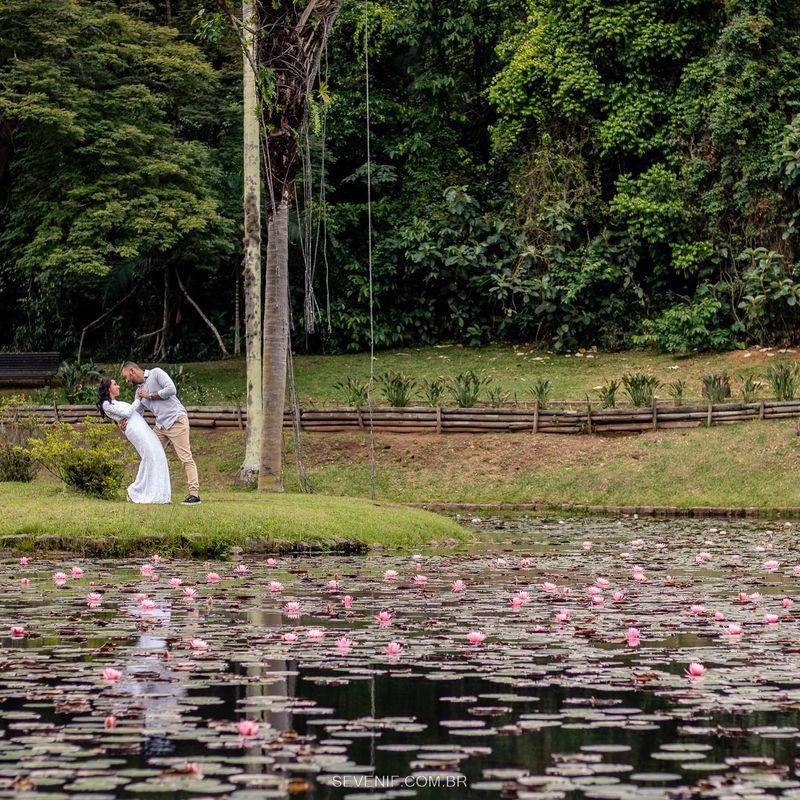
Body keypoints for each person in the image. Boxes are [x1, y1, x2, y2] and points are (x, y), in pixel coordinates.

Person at [120, 361, 201, 505]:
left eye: (126, 377)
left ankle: (194, 495)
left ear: (132, 371)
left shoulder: (156, 373)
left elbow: (171, 389)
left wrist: (150, 394)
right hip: (161, 426)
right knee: (150, 456)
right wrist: (125, 421)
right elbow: (137, 413)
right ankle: (145, 493)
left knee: (185, 457)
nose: (126, 381)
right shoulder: (138, 393)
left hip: (176, 420)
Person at [97, 378, 171, 504]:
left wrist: (137, 401)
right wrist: (138, 399)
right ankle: (136, 492)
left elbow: (130, 412)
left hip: (140, 426)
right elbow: (127, 413)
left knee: (157, 454)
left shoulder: (116, 402)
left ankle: (159, 493)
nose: (118, 386)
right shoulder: (106, 404)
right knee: (150, 455)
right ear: (108, 388)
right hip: (135, 429)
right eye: (115, 384)